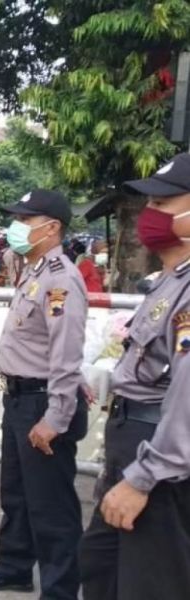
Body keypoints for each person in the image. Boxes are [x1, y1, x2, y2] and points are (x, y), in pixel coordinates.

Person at [0, 189, 88, 599]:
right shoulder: (33, 270)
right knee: (16, 495)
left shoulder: (60, 278)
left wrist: (55, 418)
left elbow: (66, 353)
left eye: (25, 219)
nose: (15, 226)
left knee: (51, 507)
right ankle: (14, 567)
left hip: (42, 401)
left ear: (51, 228)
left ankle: (60, 590)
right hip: (19, 398)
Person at [79, 153, 190, 599]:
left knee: (148, 584)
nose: (151, 214)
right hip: (134, 443)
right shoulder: (169, 281)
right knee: (101, 568)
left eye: (164, 204)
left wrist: (145, 477)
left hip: (161, 464)